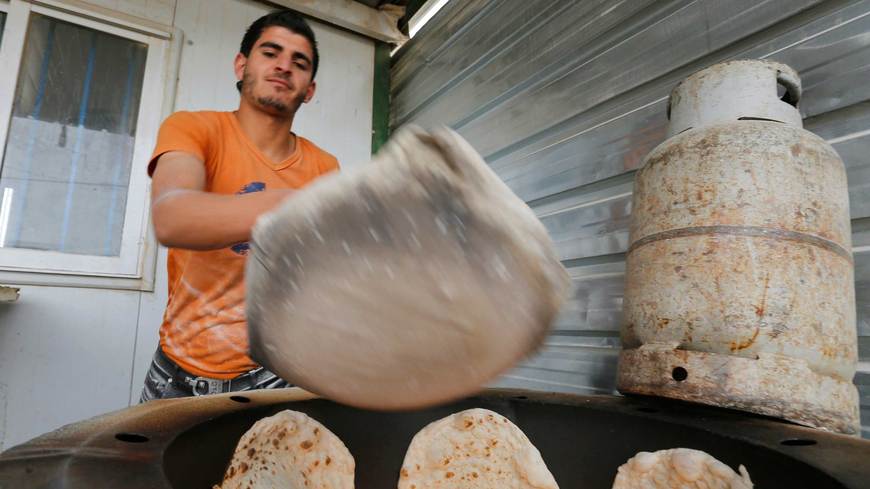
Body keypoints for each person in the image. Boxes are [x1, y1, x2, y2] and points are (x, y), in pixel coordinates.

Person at [139, 10, 339, 401]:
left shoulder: (324, 167)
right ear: (241, 64)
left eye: (299, 63)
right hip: (176, 372)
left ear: (309, 89)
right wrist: (291, 205)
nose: (284, 66)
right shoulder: (193, 128)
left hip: (275, 373)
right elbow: (172, 217)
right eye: (271, 53)